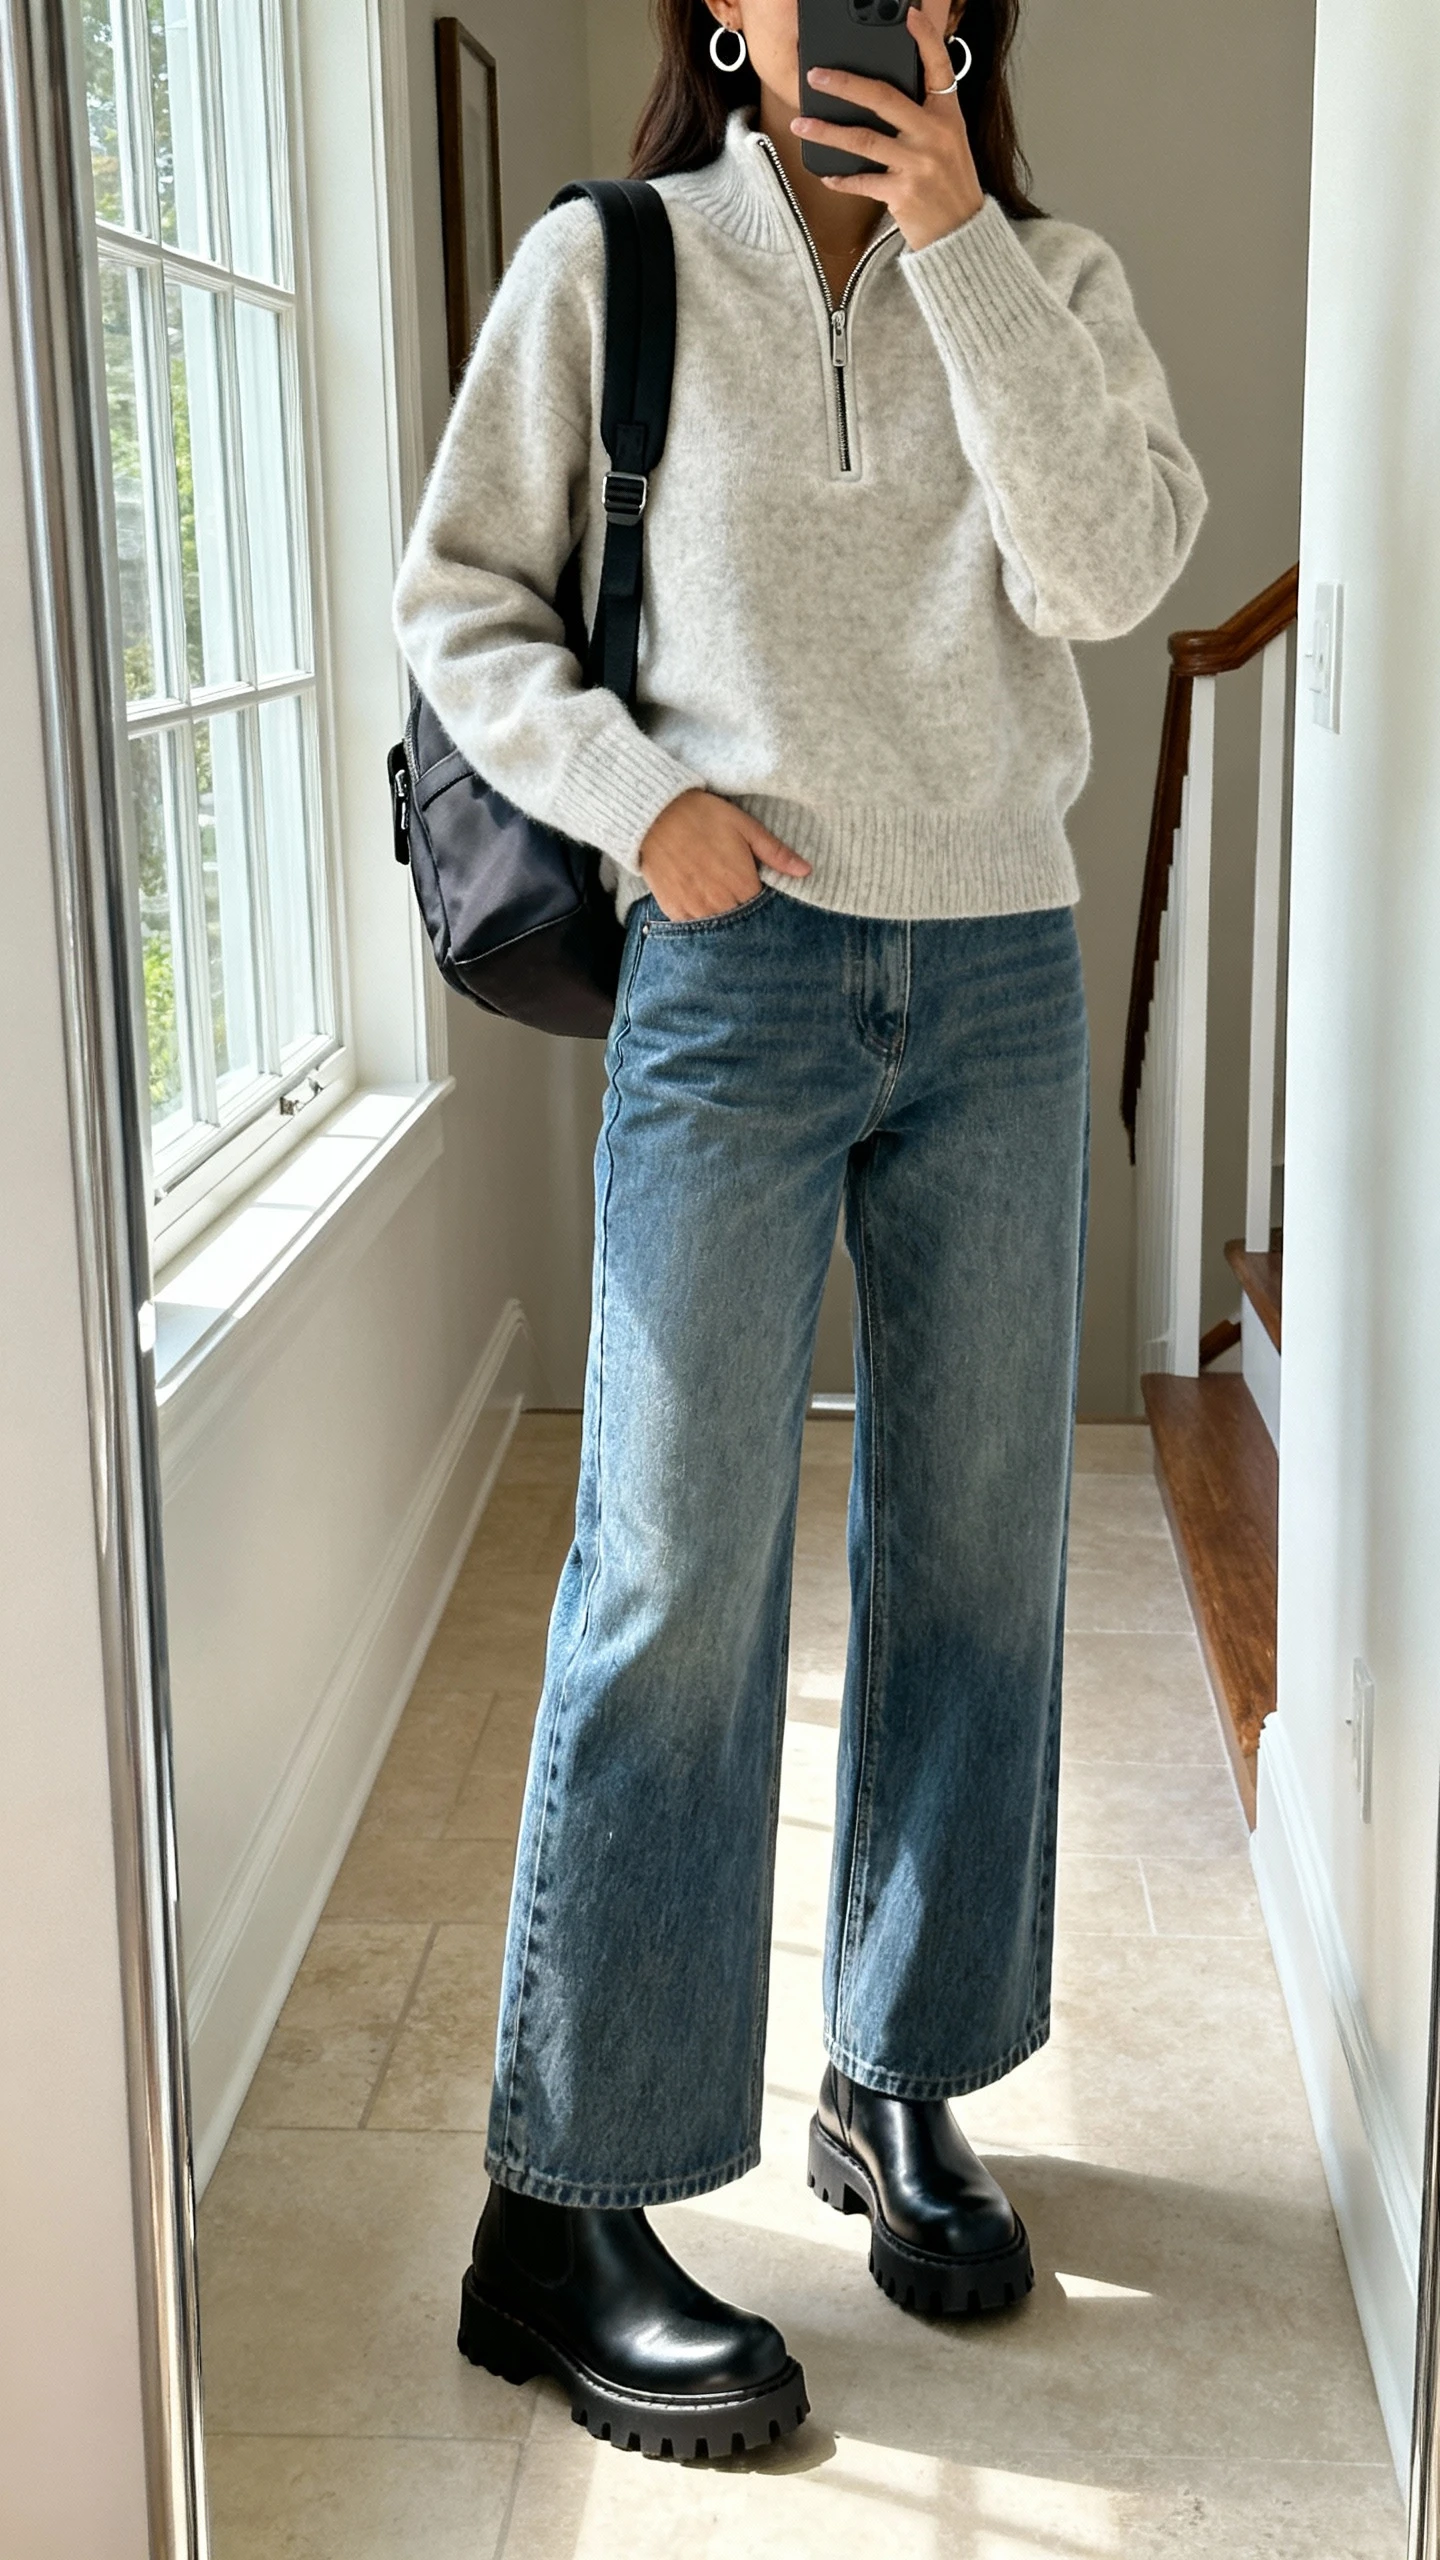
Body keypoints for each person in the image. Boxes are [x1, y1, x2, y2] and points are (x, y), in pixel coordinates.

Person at [394, 0, 1205, 2462]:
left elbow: (1107, 570)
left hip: (999, 980)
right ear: (722, 21)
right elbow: (465, 600)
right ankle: (564, 2207)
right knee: (670, 1569)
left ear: (953, 22)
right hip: (729, 971)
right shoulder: (614, 264)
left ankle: (901, 2072)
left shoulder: (1052, 278)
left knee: (976, 1554)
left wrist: (958, 243)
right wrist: (638, 803)